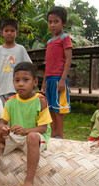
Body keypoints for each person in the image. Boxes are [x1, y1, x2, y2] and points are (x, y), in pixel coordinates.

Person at [41, 6, 72, 139]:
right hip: (49, 79)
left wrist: (62, 80)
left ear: (64, 22)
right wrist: (44, 82)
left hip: (59, 79)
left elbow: (68, 60)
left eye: (56, 21)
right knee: (50, 108)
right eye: (50, 22)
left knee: (59, 109)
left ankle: (61, 135)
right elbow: (48, 64)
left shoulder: (65, 38)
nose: (52, 25)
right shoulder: (49, 42)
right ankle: (53, 134)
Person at [0, 18, 32, 105]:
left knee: (16, 112)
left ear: (17, 33)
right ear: (2, 33)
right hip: (0, 89)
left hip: (17, 89)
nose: (9, 33)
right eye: (6, 30)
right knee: (2, 114)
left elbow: (28, 66)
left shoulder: (20, 49)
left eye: (12, 30)